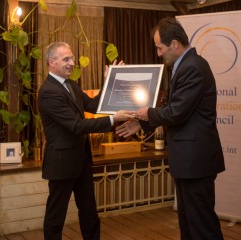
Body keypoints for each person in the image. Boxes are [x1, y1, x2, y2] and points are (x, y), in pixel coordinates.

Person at [116, 17, 225, 240]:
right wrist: (141, 122)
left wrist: (148, 113)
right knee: (189, 223)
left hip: (196, 162)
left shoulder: (193, 67)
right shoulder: (184, 66)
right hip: (189, 161)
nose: (158, 53)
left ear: (175, 44)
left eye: (160, 47)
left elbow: (176, 112)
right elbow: (173, 109)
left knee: (202, 226)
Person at [37, 41, 133, 240]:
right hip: (62, 164)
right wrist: (114, 118)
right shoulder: (48, 92)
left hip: (81, 161)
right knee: (56, 216)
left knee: (89, 212)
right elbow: (77, 126)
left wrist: (109, 82)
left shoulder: (71, 85)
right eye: (66, 59)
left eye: (72, 58)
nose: (72, 62)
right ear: (51, 62)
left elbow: (95, 105)